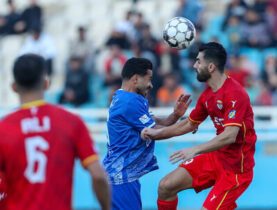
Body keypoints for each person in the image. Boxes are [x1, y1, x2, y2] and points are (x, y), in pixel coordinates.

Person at [142, 42, 257, 210]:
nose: (194, 65)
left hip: (236, 170)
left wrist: (195, 149)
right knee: (166, 186)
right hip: (216, 157)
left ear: (210, 67)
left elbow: (230, 135)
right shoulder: (207, 96)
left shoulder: (235, 94)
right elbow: (188, 124)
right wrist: (155, 134)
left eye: (198, 62)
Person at [0, 54, 111, 210]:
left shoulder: (3, 128)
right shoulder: (71, 122)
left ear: (13, 87)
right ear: (46, 84)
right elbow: (99, 176)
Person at [102, 57, 191, 210]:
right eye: (149, 79)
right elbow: (156, 132)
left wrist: (175, 116)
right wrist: (189, 125)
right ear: (136, 79)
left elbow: (155, 122)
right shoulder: (130, 101)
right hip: (121, 178)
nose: (151, 84)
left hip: (121, 175)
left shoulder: (124, 96)